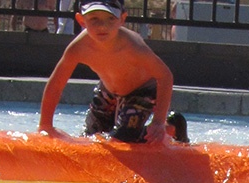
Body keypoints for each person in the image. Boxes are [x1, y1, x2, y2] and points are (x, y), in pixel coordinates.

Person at [39, 0, 184, 143]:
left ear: (122, 19)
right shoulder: (77, 48)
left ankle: (172, 126)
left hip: (141, 92)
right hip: (108, 92)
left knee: (120, 141)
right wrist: (45, 125)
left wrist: (158, 121)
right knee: (92, 140)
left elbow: (165, 76)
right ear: (81, 20)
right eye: (94, 19)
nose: (102, 26)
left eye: (110, 19)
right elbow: (56, 85)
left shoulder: (133, 47)